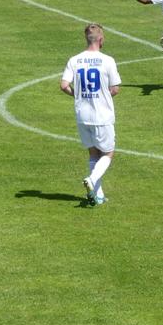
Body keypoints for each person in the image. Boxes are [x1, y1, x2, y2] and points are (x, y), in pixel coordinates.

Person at [60, 24, 121, 206]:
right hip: (102, 115)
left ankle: (98, 195)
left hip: (82, 114)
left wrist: (77, 95)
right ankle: (92, 180)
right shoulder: (107, 60)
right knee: (108, 153)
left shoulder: (74, 60)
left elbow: (63, 85)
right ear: (101, 40)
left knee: (93, 154)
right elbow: (115, 89)